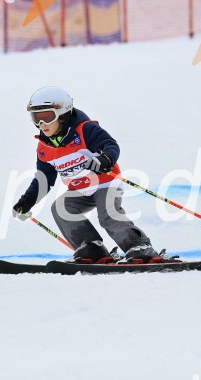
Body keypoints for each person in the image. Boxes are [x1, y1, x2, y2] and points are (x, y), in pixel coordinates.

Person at [12, 86, 164, 263]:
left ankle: (139, 247)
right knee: (61, 208)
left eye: (47, 117)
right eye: (36, 118)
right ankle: (91, 247)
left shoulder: (85, 129)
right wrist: (27, 201)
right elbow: (43, 179)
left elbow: (110, 145)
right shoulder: (44, 148)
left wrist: (104, 159)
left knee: (108, 215)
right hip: (80, 190)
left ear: (62, 115)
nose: (42, 124)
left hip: (105, 183)